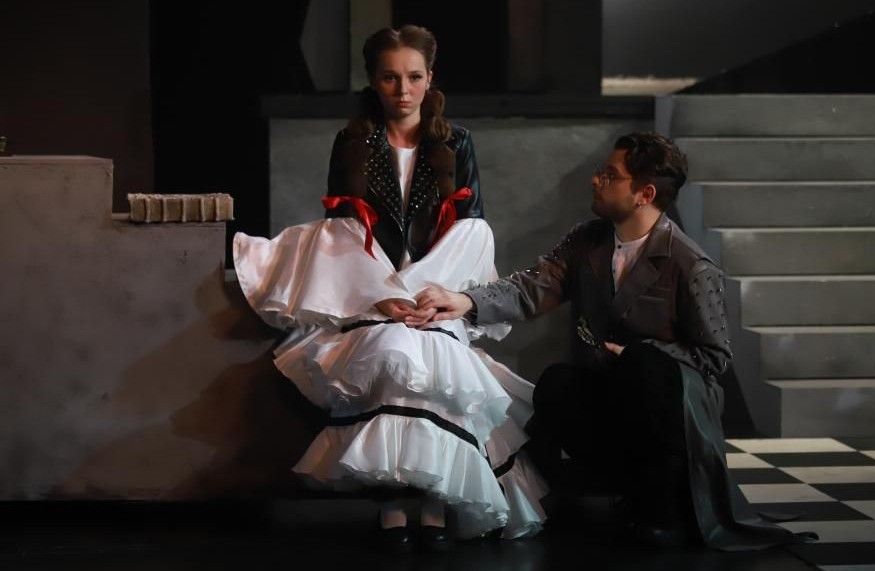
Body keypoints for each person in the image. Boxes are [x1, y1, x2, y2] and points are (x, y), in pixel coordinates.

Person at [415, 132, 815, 550]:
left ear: (645, 194)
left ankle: (667, 508)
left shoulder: (690, 264)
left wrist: (639, 355)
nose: (595, 180)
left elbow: (713, 358)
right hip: (612, 394)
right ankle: (620, 489)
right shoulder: (587, 240)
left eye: (610, 175)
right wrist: (465, 301)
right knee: (557, 383)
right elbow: (531, 286)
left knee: (642, 367)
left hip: (672, 408)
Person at [232, 25, 546, 551]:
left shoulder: (456, 142)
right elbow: (341, 231)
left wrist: (430, 296)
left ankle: (433, 500)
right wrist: (379, 294)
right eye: (390, 78)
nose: (403, 90)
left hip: (436, 293)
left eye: (414, 77)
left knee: (432, 355)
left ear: (430, 79)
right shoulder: (353, 143)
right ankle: (396, 501)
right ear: (373, 81)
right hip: (373, 294)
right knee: (392, 350)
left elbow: (471, 230)